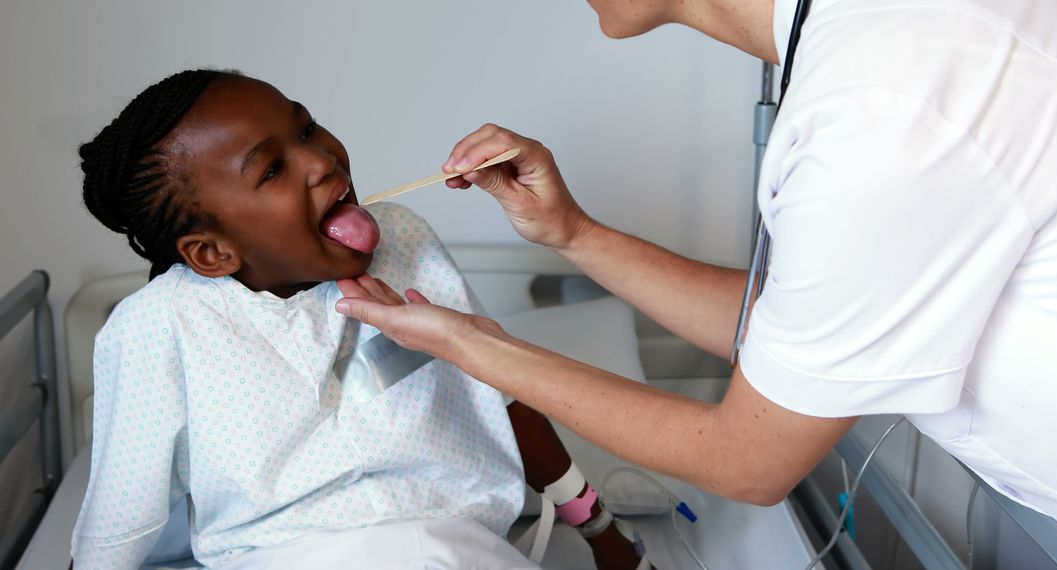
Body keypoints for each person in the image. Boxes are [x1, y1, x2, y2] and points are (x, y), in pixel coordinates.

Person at [335, 0, 1057, 538]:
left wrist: (467, 343)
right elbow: (793, 337)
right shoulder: (885, 48)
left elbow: (748, 464)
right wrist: (572, 233)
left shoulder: (882, 107)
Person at [71, 69, 646, 569]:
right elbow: (122, 512)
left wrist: (601, 531)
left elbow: (499, 393)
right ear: (212, 253)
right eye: (272, 170)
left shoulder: (402, 238)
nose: (321, 161)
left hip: (454, 547)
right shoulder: (159, 325)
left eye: (306, 128)